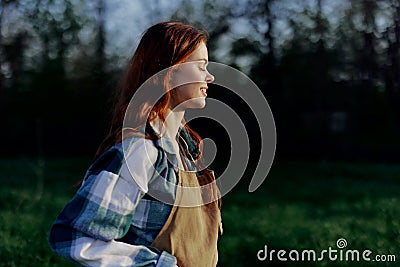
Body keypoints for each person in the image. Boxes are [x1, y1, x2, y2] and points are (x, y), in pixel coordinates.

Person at [48, 21, 222, 267]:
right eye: (201, 66)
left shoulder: (187, 151)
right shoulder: (141, 151)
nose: (210, 76)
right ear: (169, 70)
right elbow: (75, 238)